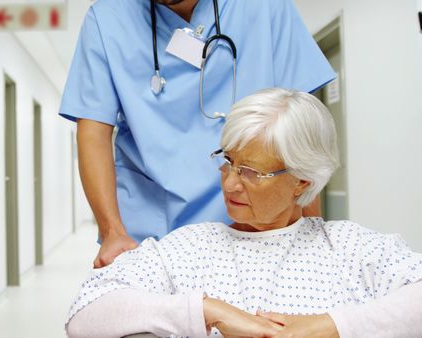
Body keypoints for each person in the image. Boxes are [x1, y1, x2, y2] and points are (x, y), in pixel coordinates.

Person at [65, 88, 422, 338]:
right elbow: (85, 313)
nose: (231, 184)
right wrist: (208, 311)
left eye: (252, 172)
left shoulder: (348, 246)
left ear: (302, 181)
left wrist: (331, 326)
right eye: (229, 163)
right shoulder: (190, 248)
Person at [59, 0, 336, 269]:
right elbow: (93, 132)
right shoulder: (107, 18)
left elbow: (300, 131)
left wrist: (311, 236)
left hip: (258, 226)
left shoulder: (265, 6)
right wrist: (112, 232)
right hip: (151, 236)